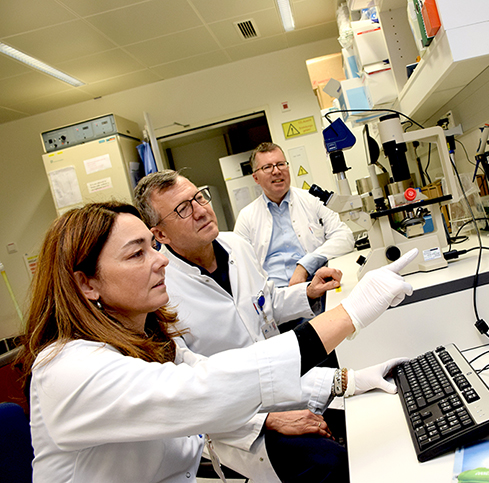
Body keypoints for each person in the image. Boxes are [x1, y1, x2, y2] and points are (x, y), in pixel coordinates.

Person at [18, 201, 417, 483]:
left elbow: (213, 373)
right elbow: (203, 391)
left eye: (152, 247)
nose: (160, 260)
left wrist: (347, 381)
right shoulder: (67, 370)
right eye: (136, 254)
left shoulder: (152, 341)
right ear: (86, 283)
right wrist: (350, 314)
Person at [133, 171, 357, 482]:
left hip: (281, 385)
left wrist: (308, 292)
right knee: (332, 462)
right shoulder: (159, 290)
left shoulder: (235, 244)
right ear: (160, 234)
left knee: (362, 421)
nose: (200, 210)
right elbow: (189, 390)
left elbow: (266, 302)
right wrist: (266, 420)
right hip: (236, 423)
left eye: (199, 197)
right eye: (183, 209)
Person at [235, 142, 354, 289]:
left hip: (316, 286)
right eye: (267, 167)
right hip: (274, 296)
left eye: (281, 164)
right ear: (255, 178)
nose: (276, 171)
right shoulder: (246, 217)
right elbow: (238, 267)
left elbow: (345, 237)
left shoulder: (312, 200)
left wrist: (305, 265)